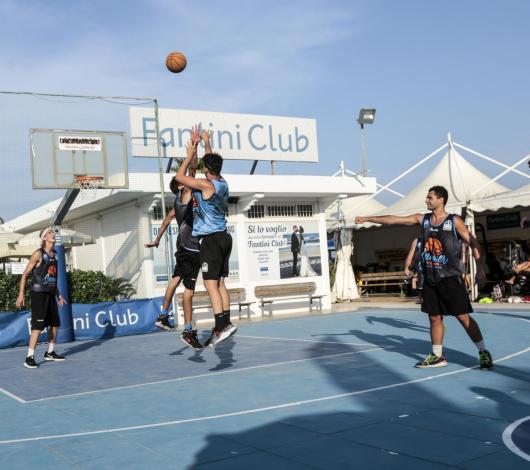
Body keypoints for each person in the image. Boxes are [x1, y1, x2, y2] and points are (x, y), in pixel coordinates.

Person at [356, 185, 493, 370]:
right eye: (427, 197)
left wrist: (480, 268)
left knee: (463, 317)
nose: (426, 200)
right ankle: (437, 356)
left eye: (430, 197)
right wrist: (368, 218)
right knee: (434, 318)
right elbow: (395, 220)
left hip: (450, 278)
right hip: (430, 278)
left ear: (441, 199)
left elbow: (473, 242)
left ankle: (483, 351)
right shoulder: (424, 220)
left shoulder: (454, 221)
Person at [176, 128, 236, 347]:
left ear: (207, 170)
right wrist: (207, 143)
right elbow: (211, 163)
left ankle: (220, 327)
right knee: (220, 284)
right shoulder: (222, 182)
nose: (201, 169)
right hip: (224, 237)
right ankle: (226, 322)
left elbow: (179, 177)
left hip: (210, 239)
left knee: (210, 284)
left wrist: (191, 151)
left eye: (203, 167)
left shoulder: (205, 185)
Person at [145, 128, 203, 349]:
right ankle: (188, 330)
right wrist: (192, 148)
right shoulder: (184, 195)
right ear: (181, 187)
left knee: (175, 280)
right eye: (184, 181)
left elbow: (167, 220)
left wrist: (157, 238)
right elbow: (191, 169)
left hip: (182, 247)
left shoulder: (177, 204)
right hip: (192, 250)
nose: (189, 180)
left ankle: (162, 315)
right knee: (188, 291)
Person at [16, 227, 67, 369]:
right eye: (50, 233)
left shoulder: (55, 255)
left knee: (55, 324)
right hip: (38, 294)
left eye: (53, 232)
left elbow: (51, 278)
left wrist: (58, 295)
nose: (53, 234)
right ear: (44, 238)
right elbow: (25, 275)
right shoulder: (38, 254)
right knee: (37, 327)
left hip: (51, 294)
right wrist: (21, 294)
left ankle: (50, 352)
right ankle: (29, 357)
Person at [404, 237, 423, 302]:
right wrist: (406, 267)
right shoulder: (417, 241)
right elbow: (411, 254)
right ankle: (418, 295)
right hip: (421, 270)